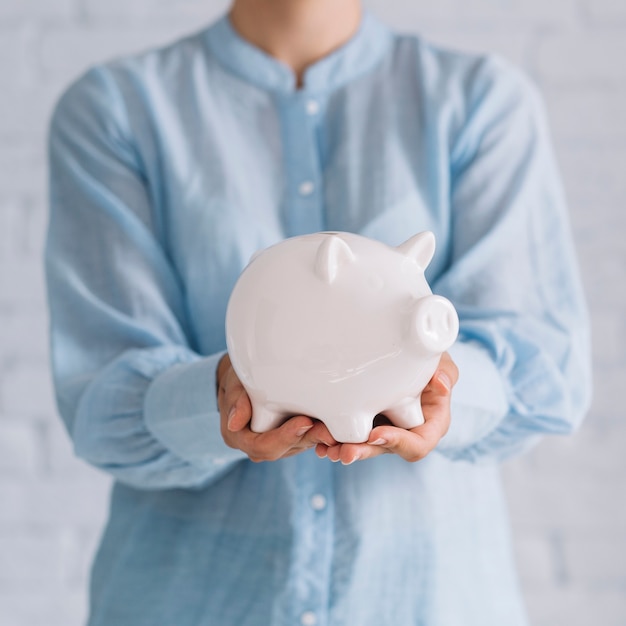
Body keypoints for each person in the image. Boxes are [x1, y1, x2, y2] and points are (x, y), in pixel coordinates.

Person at [45, 0, 591, 624]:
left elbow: (541, 370)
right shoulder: (116, 109)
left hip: (427, 599)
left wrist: (442, 389)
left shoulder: (482, 102)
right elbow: (103, 401)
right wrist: (220, 395)